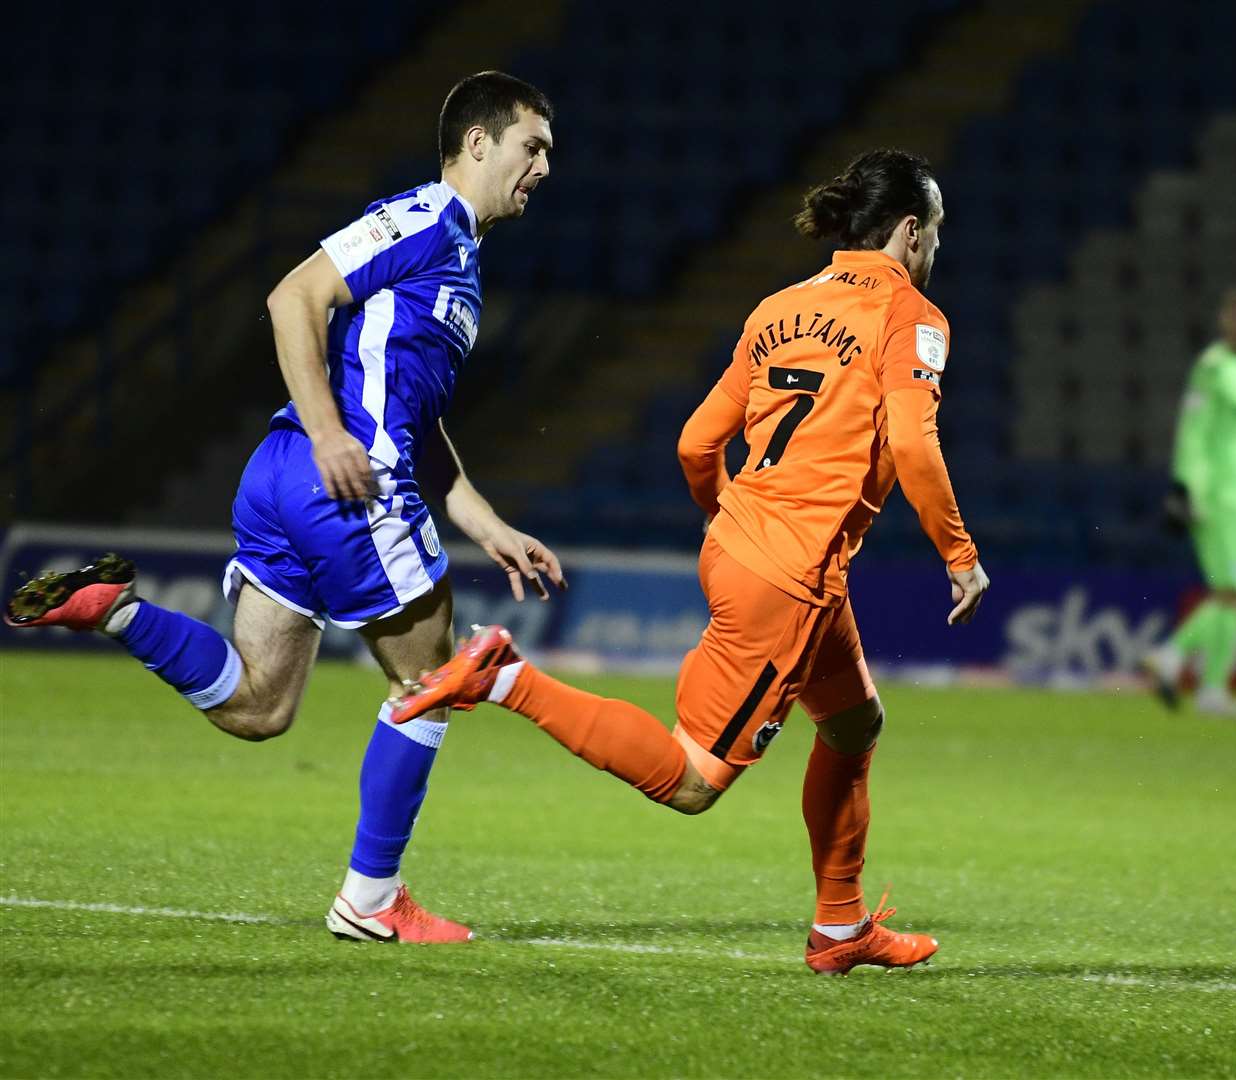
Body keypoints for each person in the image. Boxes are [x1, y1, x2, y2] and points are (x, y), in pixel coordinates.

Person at [390, 148, 990, 975]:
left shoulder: (778, 306)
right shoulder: (911, 314)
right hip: (791, 575)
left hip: (746, 543)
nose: (936, 252)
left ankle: (841, 927)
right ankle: (502, 677)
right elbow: (916, 442)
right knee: (691, 779)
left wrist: (729, 521)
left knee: (854, 723)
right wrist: (958, 554)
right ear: (911, 230)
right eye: (937, 234)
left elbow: (695, 442)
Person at [5, 71, 564, 943]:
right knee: (429, 682)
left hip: (282, 479)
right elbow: (292, 296)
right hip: (343, 479)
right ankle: (371, 902)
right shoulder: (424, 219)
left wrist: (484, 520)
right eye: (533, 147)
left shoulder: (461, 259)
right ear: (479, 142)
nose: (543, 167)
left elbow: (417, 415)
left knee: (262, 705)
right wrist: (331, 432)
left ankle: (114, 614)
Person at [1142, 285, 1236, 719]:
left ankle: (1210, 688)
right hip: (1216, 496)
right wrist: (1184, 486)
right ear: (1227, 322)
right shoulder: (1213, 367)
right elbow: (1193, 427)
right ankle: (1175, 658)